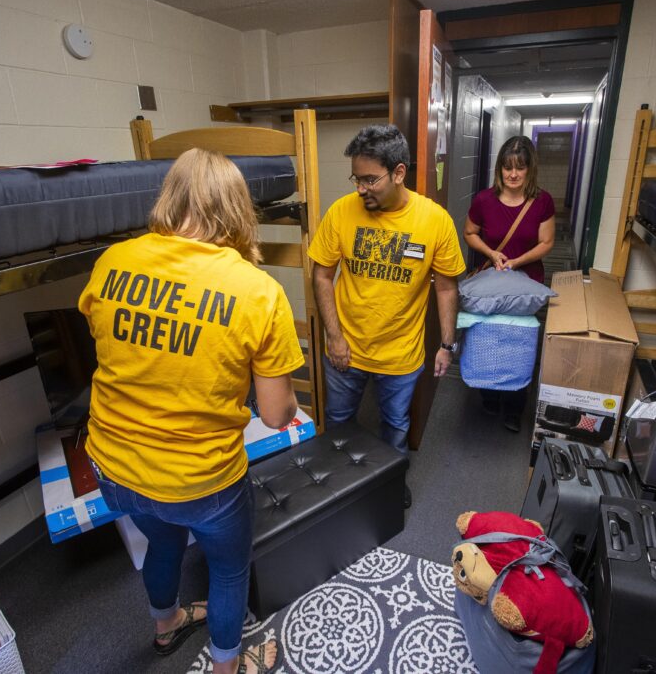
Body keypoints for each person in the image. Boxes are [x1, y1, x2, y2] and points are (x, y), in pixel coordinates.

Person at [79, 148, 303, 674]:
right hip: (200, 479)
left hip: (114, 466)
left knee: (162, 541)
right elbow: (274, 416)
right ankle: (226, 666)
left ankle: (166, 625)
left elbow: (116, 351)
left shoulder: (113, 261)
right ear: (237, 208)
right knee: (227, 571)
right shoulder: (257, 291)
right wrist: (285, 397)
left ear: (170, 197)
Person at [307, 124, 465, 509]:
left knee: (395, 429)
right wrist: (334, 335)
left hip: (401, 354)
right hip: (347, 347)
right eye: (356, 178)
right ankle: (342, 490)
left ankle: (388, 485)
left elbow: (446, 287)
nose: (360, 189)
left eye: (369, 179)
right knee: (340, 421)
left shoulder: (434, 220)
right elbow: (322, 274)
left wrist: (446, 344)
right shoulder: (341, 212)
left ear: (398, 173)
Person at [463, 135, 556, 433]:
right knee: (487, 338)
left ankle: (514, 407)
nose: (513, 174)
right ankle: (488, 395)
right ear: (499, 168)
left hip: (526, 282)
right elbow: (469, 233)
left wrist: (517, 261)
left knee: (519, 344)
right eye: (507, 167)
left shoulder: (542, 201)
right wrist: (492, 253)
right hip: (492, 279)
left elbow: (547, 242)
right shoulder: (484, 200)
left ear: (530, 169)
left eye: (519, 168)